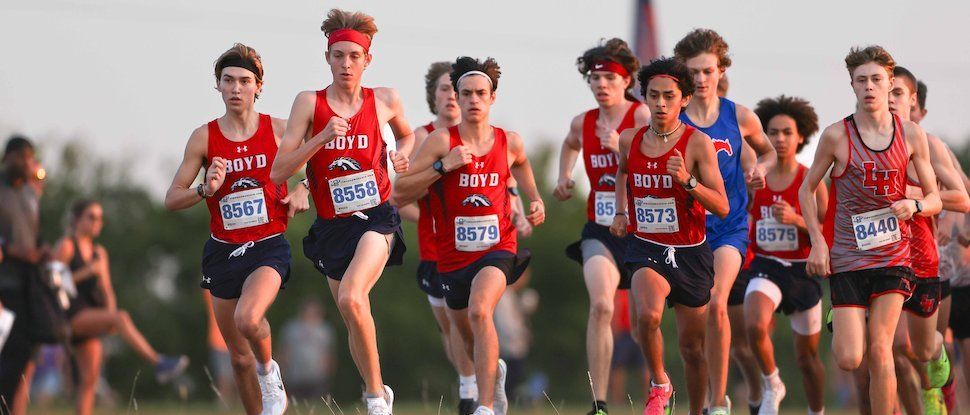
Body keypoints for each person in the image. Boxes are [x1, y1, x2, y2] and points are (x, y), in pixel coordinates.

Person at [269, 9, 413, 415]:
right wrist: (320, 138)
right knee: (353, 315)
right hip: (332, 226)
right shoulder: (308, 104)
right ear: (327, 57)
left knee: (352, 297)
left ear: (368, 60)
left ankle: (374, 399)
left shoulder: (384, 99)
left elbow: (407, 135)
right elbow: (279, 170)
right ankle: (378, 390)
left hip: (376, 217)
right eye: (338, 55)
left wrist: (401, 157)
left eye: (354, 56)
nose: (346, 64)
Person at [394, 56, 545, 415]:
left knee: (481, 311)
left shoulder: (509, 141)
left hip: (498, 248)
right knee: (462, 331)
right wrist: (441, 166)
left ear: (492, 98)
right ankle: (491, 374)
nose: (474, 99)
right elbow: (400, 193)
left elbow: (521, 164)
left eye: (481, 93)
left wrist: (535, 198)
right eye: (466, 93)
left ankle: (485, 407)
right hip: (451, 255)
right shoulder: (441, 142)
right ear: (457, 100)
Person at [165, 43, 309, 415]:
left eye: (245, 81)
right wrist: (205, 189)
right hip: (222, 251)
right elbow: (172, 198)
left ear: (259, 86)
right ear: (218, 85)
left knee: (249, 319)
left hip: (268, 246)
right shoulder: (204, 138)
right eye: (228, 80)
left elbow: (323, 159)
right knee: (238, 359)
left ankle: (270, 371)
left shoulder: (279, 130)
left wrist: (303, 189)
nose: (236, 88)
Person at [799, 45, 941, 415]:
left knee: (882, 349)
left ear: (890, 83)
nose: (869, 87)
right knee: (849, 358)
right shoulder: (836, 136)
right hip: (848, 258)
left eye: (877, 79)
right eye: (861, 80)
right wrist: (817, 241)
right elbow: (806, 188)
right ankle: (842, 317)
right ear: (852, 84)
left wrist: (916, 205)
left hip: (895, 256)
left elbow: (935, 198)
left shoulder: (911, 135)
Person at [610, 56, 729, 415]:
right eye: (653, 95)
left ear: (685, 99)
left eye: (668, 96)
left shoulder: (697, 144)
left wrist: (688, 182)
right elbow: (622, 174)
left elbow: (722, 206)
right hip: (646, 246)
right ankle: (660, 382)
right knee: (647, 317)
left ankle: (698, 409)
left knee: (693, 350)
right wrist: (620, 211)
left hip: (690, 253)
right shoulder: (629, 139)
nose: (660, 103)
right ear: (643, 97)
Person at [673, 29, 777, 415]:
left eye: (707, 71)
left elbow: (767, 154)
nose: (700, 79)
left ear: (721, 71)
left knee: (719, 303)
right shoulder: (675, 119)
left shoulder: (740, 116)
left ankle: (718, 404)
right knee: (690, 336)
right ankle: (691, 394)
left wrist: (759, 172)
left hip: (730, 227)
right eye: (693, 72)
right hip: (686, 231)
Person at [553, 38, 649, 415]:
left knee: (645, 324)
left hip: (642, 231)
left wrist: (619, 149)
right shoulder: (584, 122)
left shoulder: (641, 116)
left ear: (626, 81)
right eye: (595, 78)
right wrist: (563, 177)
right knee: (602, 306)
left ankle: (657, 389)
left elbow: (655, 165)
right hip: (601, 231)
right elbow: (569, 142)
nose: (602, 85)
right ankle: (600, 403)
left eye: (610, 77)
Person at [51, 200, 189, 415]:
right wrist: (86, 272)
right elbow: (52, 282)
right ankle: (159, 362)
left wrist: (110, 315)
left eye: (100, 218)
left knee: (89, 379)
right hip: (70, 314)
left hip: (92, 314)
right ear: (77, 219)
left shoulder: (99, 252)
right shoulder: (66, 245)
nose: (98, 222)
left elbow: (107, 290)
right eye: (92, 217)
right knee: (121, 317)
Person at [886, 65, 969, 415]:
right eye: (884, 92)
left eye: (897, 94)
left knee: (923, 349)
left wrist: (919, 200)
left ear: (912, 101)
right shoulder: (861, 143)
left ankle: (940, 381)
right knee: (894, 348)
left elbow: (961, 196)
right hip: (886, 260)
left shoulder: (929, 144)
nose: (889, 100)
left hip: (930, 261)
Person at [398, 61, 478, 415]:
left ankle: (471, 389)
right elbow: (397, 197)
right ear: (434, 95)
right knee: (449, 326)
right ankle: (482, 373)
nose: (450, 96)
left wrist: (521, 209)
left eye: (454, 89)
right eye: (443, 89)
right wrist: (432, 220)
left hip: (478, 246)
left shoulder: (482, 135)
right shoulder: (420, 136)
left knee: (474, 316)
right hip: (435, 246)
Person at [744, 96, 827, 415]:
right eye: (772, 132)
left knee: (807, 359)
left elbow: (829, 231)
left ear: (800, 137)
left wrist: (797, 220)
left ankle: (816, 410)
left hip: (802, 271)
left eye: (786, 132)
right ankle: (772, 381)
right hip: (766, 266)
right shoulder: (755, 178)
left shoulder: (812, 180)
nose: (779, 139)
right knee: (754, 325)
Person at [0, 135, 46, 415]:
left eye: (31, 157)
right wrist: (12, 249)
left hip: (28, 283)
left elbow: (34, 234)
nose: (28, 162)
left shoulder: (31, 193)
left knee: (24, 350)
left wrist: (43, 250)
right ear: (9, 158)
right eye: (23, 157)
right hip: (4, 282)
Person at [278, 299, 336, 401]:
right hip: (294, 375)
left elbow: (329, 354)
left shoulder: (324, 331)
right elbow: (284, 351)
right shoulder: (291, 328)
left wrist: (327, 372)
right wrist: (282, 370)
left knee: (315, 403)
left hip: (317, 376)